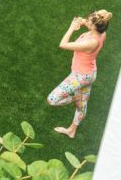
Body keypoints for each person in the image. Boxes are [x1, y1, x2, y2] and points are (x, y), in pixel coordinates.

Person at [47, 10, 113, 138]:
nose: (86, 20)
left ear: (94, 26)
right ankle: (72, 131)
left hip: (80, 76)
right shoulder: (101, 32)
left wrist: (72, 28)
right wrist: (82, 22)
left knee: (52, 100)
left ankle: (75, 98)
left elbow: (63, 44)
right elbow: (91, 21)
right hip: (89, 74)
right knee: (83, 105)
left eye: (89, 20)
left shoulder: (91, 42)